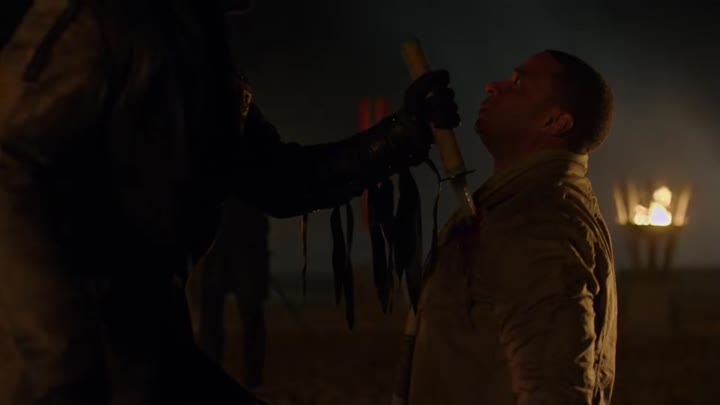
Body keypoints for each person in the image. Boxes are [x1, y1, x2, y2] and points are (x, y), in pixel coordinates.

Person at [0, 1, 460, 404]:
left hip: (146, 346)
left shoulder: (202, 62)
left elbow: (282, 180)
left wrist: (404, 133)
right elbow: (10, 169)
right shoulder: (104, 18)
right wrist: (60, 359)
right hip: (62, 360)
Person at [395, 50, 617, 404]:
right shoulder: (516, 205)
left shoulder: (541, 220)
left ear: (554, 121)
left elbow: (555, 389)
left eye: (517, 83)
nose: (492, 86)